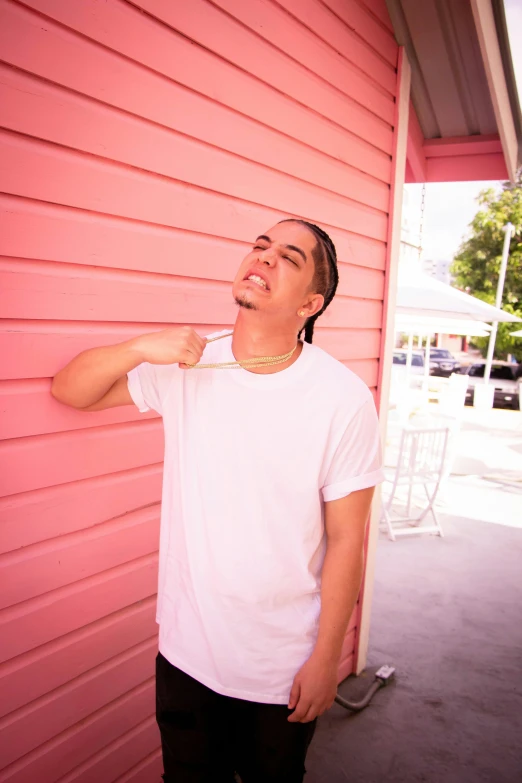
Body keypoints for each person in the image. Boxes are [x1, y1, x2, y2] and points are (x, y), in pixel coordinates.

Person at [52, 219, 384, 782]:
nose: (265, 257)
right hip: (187, 652)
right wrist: (138, 348)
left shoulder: (342, 399)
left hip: (281, 665)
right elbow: (71, 391)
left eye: (289, 256)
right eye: (261, 246)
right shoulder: (189, 363)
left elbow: (348, 539)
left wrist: (327, 659)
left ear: (310, 303)